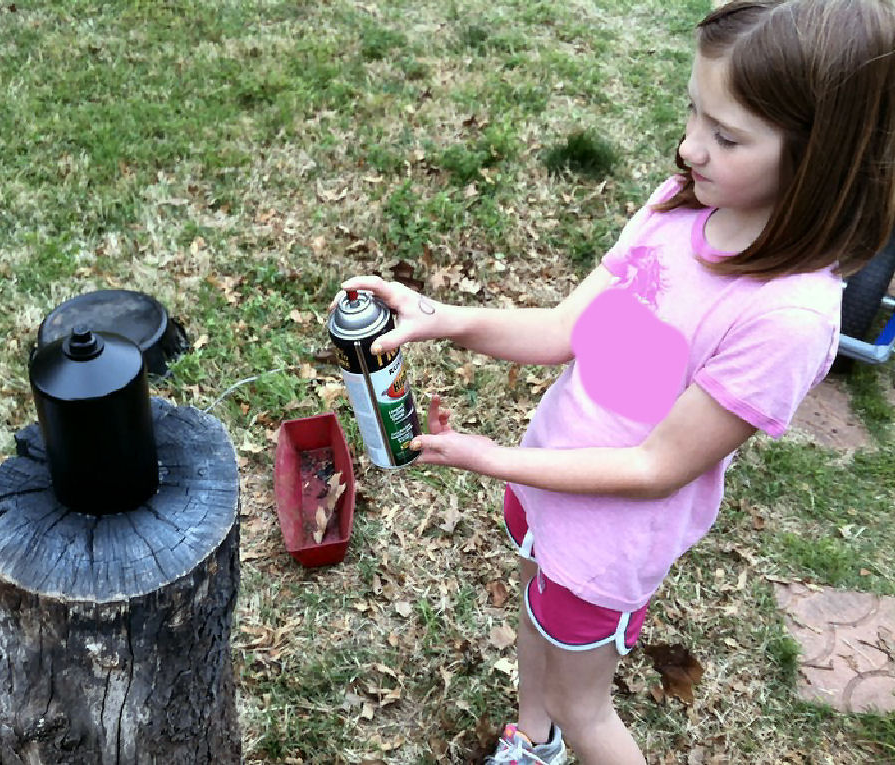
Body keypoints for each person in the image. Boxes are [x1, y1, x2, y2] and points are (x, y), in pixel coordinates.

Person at [335, 1, 895, 762]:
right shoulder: (679, 205)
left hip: (605, 545)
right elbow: (565, 329)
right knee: (536, 616)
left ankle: (558, 728)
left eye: (726, 135)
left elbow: (655, 466)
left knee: (584, 704)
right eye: (693, 111)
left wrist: (490, 457)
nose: (689, 146)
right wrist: (443, 318)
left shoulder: (788, 316)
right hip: (545, 482)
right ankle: (534, 740)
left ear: (822, 157)